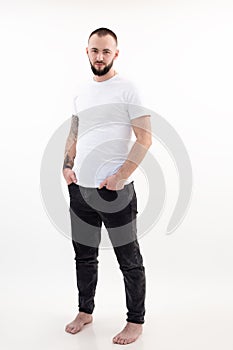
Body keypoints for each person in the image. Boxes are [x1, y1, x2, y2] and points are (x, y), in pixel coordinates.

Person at [63, 27, 152, 345]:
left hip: (115, 193)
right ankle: (85, 312)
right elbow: (75, 129)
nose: (99, 56)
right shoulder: (80, 91)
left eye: (106, 51)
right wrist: (67, 165)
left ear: (115, 54)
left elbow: (145, 138)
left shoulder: (128, 88)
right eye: (94, 50)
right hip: (80, 191)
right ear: (86, 51)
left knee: (129, 260)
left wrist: (121, 176)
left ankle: (135, 322)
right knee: (84, 257)